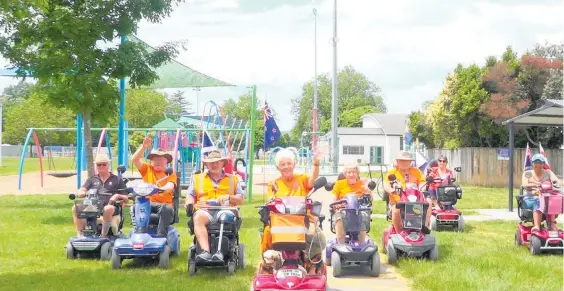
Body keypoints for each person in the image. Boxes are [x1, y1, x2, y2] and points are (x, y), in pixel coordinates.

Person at [260, 148, 326, 275]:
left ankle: (312, 265)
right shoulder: (274, 184)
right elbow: (271, 201)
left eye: (289, 163)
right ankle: (269, 264)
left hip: (303, 220)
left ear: (294, 164)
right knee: (267, 232)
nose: (286, 166)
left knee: (315, 236)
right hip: (281, 221)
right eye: (282, 164)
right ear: (278, 167)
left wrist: (316, 163)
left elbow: (312, 179)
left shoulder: (302, 179)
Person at [184, 150, 245, 261]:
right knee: (197, 217)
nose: (214, 164)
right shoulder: (197, 178)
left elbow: (241, 199)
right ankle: (205, 251)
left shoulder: (233, 179)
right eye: (211, 162)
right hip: (205, 210)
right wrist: (189, 202)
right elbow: (190, 195)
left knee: (224, 217)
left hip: (226, 209)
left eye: (217, 162)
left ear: (222, 163)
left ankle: (220, 252)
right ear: (206, 164)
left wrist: (229, 197)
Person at [131, 136, 178, 237]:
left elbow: (169, 187)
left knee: (167, 209)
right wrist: (143, 147)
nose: (158, 161)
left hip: (163, 205)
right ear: (152, 161)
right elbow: (134, 160)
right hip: (147, 202)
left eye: (161, 159)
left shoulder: (170, 174)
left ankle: (161, 237)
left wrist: (159, 189)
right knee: (136, 206)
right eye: (155, 159)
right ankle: (139, 234)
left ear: (166, 162)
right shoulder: (147, 169)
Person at [72, 154, 128, 237]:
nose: (101, 166)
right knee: (75, 207)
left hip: (111, 207)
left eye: (104, 164)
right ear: (96, 166)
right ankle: (80, 234)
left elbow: (126, 198)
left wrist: (117, 196)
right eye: (99, 165)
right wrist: (81, 192)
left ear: (108, 165)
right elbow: (82, 189)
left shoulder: (117, 179)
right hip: (93, 206)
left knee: (108, 208)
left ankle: (103, 236)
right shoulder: (92, 179)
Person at [383, 151, 431, 234]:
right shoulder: (391, 173)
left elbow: (422, 182)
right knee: (396, 209)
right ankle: (399, 233)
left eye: (406, 161)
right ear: (397, 162)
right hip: (398, 200)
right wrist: (392, 190)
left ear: (410, 162)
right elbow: (386, 185)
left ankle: (424, 227)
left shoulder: (416, 171)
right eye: (402, 161)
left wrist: (421, 188)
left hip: (415, 199)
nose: (404, 163)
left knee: (429, 202)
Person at [331, 164, 372, 244]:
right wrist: (336, 204)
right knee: (339, 218)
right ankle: (341, 244)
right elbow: (333, 198)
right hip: (343, 209)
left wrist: (368, 191)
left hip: (359, 210)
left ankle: (361, 244)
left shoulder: (362, 184)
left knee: (363, 216)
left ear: (357, 174)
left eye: (354, 172)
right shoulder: (339, 184)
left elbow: (370, 199)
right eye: (349, 172)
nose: (351, 174)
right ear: (345, 174)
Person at [521, 153, 562, 231]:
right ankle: (537, 226)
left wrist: (555, 181)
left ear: (543, 164)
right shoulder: (528, 173)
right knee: (539, 200)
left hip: (546, 196)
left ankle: (552, 224)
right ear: (532, 163)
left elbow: (556, 180)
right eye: (536, 163)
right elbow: (525, 184)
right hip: (531, 198)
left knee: (553, 200)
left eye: (540, 163)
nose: (538, 165)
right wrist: (538, 184)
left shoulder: (548, 172)